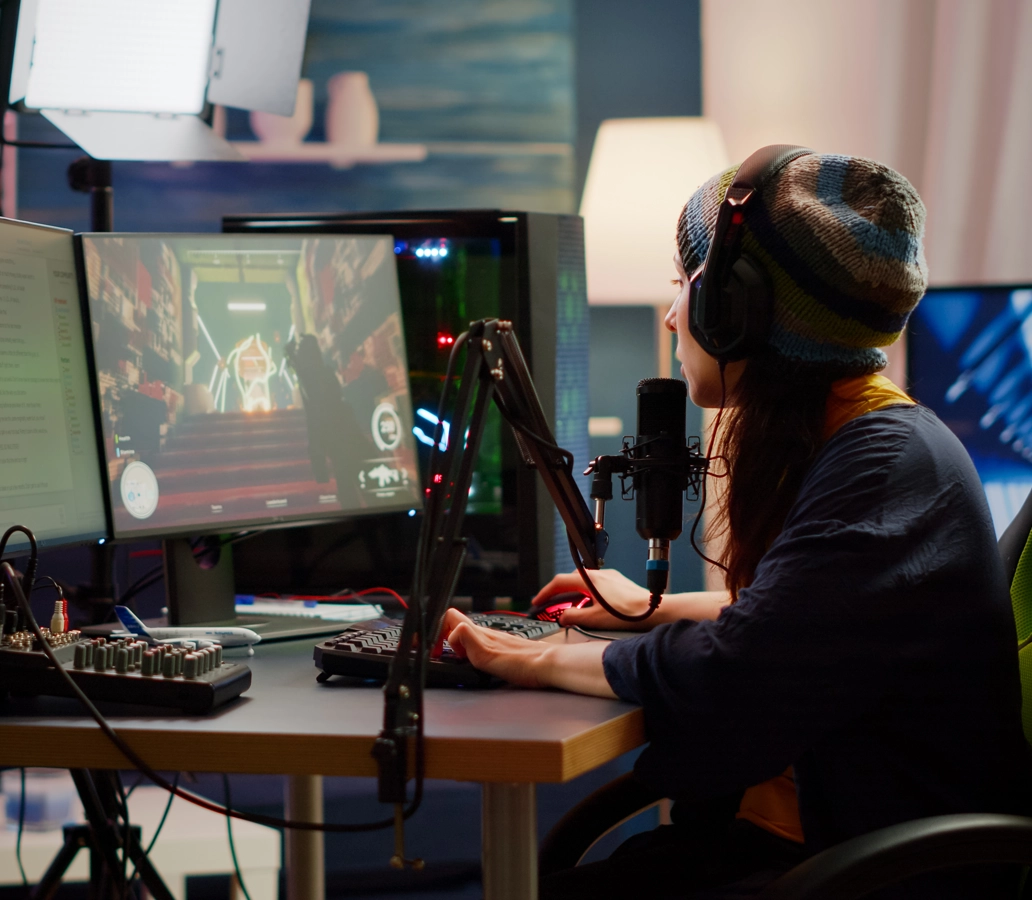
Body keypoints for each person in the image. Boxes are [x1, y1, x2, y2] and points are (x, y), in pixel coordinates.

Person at [440, 150, 1032, 898]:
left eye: (682, 285)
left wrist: (532, 660)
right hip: (804, 849)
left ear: (733, 309)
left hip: (854, 874)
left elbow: (734, 672)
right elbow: (807, 617)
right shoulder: (853, 434)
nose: (671, 315)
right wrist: (648, 607)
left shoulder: (887, 462)